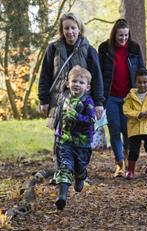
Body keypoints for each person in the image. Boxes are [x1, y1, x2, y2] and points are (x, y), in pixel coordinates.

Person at [38, 12, 104, 181]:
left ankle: (81, 172)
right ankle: (61, 173)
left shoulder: (89, 50)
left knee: (81, 137)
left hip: (81, 102)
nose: (70, 32)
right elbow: (45, 75)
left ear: (79, 28)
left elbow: (97, 78)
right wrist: (43, 100)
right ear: (62, 30)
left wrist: (98, 103)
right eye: (66, 28)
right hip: (59, 101)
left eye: (73, 28)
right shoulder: (53, 48)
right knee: (60, 137)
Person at [98, 19, 145, 177]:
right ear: (114, 34)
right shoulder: (104, 48)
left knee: (128, 131)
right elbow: (99, 73)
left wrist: (144, 93)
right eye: (120, 35)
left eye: (126, 35)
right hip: (110, 96)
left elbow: (142, 70)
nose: (123, 38)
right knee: (114, 130)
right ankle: (119, 163)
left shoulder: (134, 48)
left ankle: (128, 160)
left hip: (129, 97)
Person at [53, 66, 97, 210]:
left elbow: (91, 120)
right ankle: (62, 197)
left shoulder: (87, 102)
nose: (77, 84)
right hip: (65, 140)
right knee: (65, 167)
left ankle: (81, 175)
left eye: (81, 82)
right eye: (74, 81)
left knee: (80, 166)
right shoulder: (63, 98)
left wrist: (77, 116)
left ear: (87, 86)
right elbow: (59, 115)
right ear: (67, 83)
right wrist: (56, 130)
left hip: (82, 143)